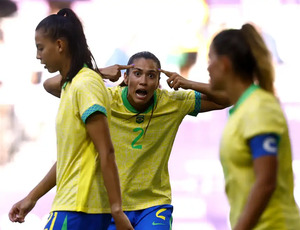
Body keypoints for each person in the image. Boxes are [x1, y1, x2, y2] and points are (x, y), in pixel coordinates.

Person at [43, 51, 230, 229]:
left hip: (153, 206)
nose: (143, 81)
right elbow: (50, 85)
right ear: (126, 78)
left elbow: (227, 97)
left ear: (158, 82)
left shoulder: (172, 102)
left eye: (151, 76)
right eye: (137, 74)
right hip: (108, 207)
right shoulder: (104, 98)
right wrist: (97, 73)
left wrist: (188, 83)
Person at [8, 8, 133, 230]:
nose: (38, 56)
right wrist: (32, 198)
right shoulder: (73, 85)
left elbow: (106, 151)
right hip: (74, 207)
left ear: (59, 45)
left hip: (80, 209)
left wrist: (117, 210)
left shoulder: (85, 84)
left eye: (40, 48)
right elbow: (70, 159)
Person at [207, 23, 300, 229]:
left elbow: (266, 182)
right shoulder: (243, 109)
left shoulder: (259, 107)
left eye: (210, 59)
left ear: (224, 64)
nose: (207, 67)